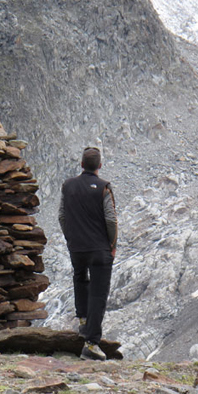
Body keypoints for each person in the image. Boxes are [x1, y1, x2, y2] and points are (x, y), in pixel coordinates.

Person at [58, 147, 118, 361]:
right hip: (100, 249)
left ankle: (83, 321)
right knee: (98, 294)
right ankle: (91, 344)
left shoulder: (68, 186)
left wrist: (70, 238)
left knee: (80, 278)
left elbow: (62, 216)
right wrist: (112, 244)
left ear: (81, 165)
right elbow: (110, 219)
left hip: (77, 247)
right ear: (99, 166)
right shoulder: (104, 187)